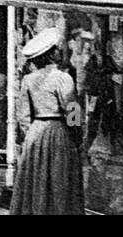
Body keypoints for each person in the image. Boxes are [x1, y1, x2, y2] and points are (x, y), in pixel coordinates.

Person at [11, 28, 84, 215]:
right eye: (58, 49)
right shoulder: (63, 78)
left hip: (36, 133)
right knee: (60, 181)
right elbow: (72, 110)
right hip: (59, 133)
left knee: (36, 181)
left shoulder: (28, 79)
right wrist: (77, 136)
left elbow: (23, 116)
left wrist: (32, 135)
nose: (60, 51)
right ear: (52, 54)